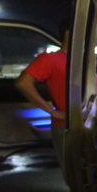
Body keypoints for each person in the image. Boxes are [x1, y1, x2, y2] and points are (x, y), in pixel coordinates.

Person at [16, 17, 70, 179]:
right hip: (66, 127)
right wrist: (52, 111)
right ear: (68, 34)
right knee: (76, 177)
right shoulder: (50, 59)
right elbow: (23, 83)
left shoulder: (84, 61)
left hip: (90, 124)